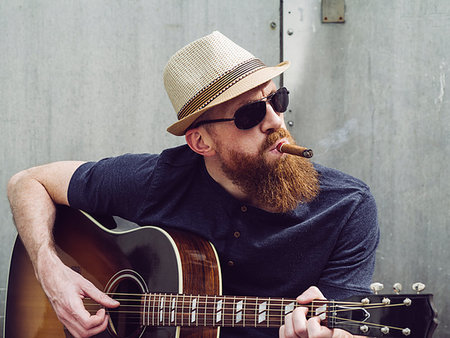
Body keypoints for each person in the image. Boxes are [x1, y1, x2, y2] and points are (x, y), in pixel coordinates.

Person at [7, 31, 379, 338]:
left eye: (277, 99)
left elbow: (348, 326)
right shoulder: (157, 180)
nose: (275, 121)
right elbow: (27, 182)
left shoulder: (346, 206)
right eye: (249, 114)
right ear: (201, 142)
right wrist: (51, 272)